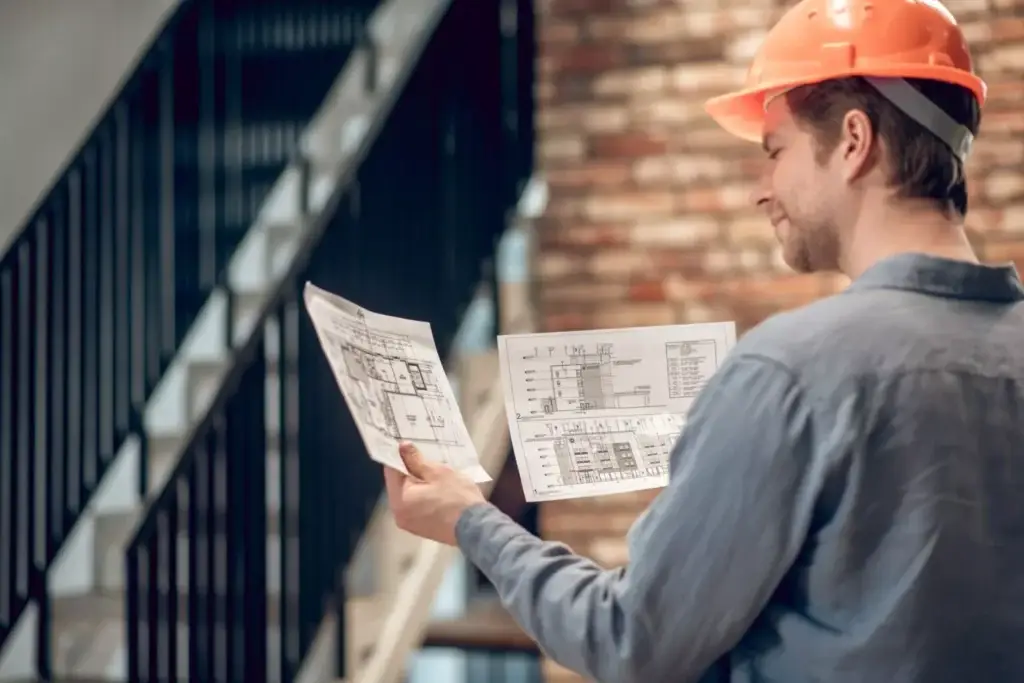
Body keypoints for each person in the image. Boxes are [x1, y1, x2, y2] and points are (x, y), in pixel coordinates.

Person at [384, 0, 1024, 680]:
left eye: (774, 151)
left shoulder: (789, 371)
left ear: (854, 141)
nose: (762, 189)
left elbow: (629, 637)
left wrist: (471, 520)